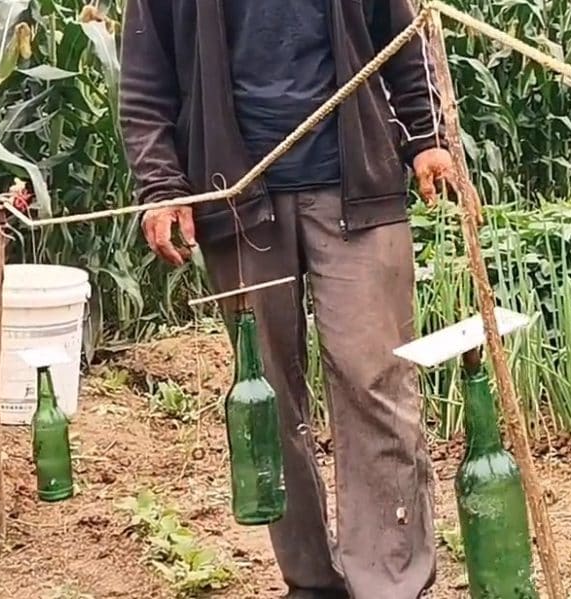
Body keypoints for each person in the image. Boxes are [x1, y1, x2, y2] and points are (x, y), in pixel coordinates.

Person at [118, 0, 454, 597]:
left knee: (375, 382)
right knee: (267, 400)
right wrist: (163, 187)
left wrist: (427, 137)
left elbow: (400, 39)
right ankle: (311, 582)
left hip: (358, 189)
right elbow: (146, 84)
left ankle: (391, 584)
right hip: (237, 201)